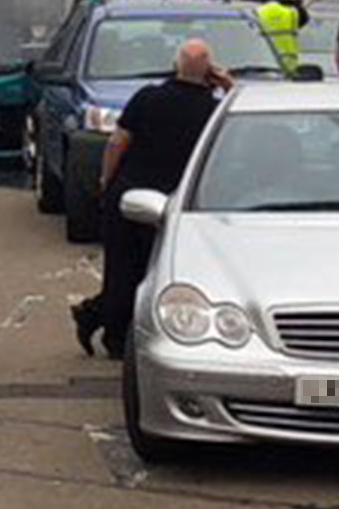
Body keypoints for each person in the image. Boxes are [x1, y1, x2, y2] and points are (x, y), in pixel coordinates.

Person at [71, 40, 234, 359]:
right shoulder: (213, 110)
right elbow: (237, 128)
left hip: (130, 193)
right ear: (210, 72)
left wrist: (107, 180)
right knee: (154, 271)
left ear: (176, 65)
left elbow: (118, 142)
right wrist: (229, 86)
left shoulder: (148, 97)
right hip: (177, 200)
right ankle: (112, 334)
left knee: (123, 267)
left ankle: (98, 319)